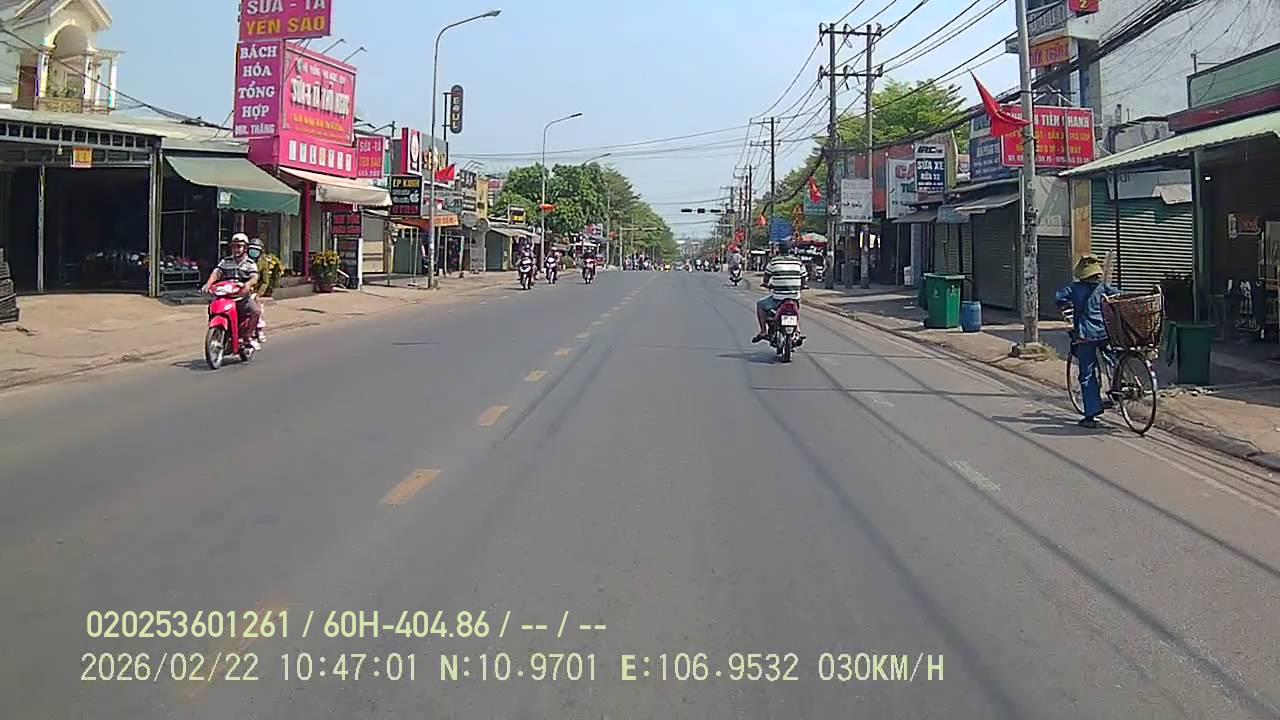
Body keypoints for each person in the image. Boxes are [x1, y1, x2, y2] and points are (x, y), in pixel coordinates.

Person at [1056, 255, 1120, 429]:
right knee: (1113, 361)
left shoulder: (1074, 289)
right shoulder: (1104, 288)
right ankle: (1117, 390)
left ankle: (1091, 414)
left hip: (1085, 335)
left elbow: (1059, 298)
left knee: (1088, 373)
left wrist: (1067, 308)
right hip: (1106, 333)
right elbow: (1120, 295)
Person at [202, 232, 262, 350]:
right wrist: (208, 284)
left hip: (241, 297)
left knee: (256, 311)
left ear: (245, 248)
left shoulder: (250, 263)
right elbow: (217, 272)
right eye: (234, 246)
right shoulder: (225, 261)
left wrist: (248, 284)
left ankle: (247, 335)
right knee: (211, 307)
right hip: (225, 296)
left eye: (239, 246)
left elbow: (254, 277)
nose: (236, 249)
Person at [753, 239, 806, 344]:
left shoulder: (774, 261)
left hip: (778, 298)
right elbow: (804, 276)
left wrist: (765, 283)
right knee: (796, 306)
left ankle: (763, 331)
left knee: (760, 305)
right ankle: (797, 330)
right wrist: (803, 285)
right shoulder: (798, 262)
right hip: (794, 297)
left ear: (779, 250)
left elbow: (767, 275)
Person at [246, 237, 268, 343]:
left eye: (256, 250)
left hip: (254, 291)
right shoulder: (244, 260)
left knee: (258, 310)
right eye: (252, 249)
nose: (253, 252)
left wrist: (258, 294)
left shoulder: (263, 262)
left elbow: (265, 281)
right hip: (241, 289)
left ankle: (259, 330)